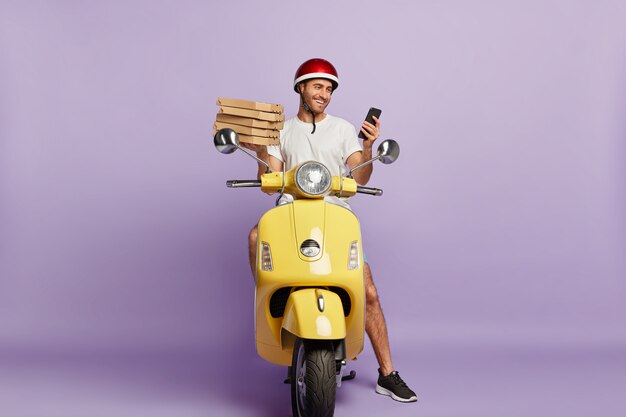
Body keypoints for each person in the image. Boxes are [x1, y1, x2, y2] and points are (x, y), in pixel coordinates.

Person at [245, 58, 417, 403]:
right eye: (317, 86)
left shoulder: (340, 129)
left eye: (329, 89)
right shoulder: (282, 130)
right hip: (290, 212)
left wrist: (367, 148)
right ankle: (276, 306)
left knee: (367, 290)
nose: (324, 94)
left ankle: (388, 373)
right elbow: (270, 183)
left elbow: (361, 176)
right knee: (254, 236)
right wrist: (260, 148)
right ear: (301, 88)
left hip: (335, 215)